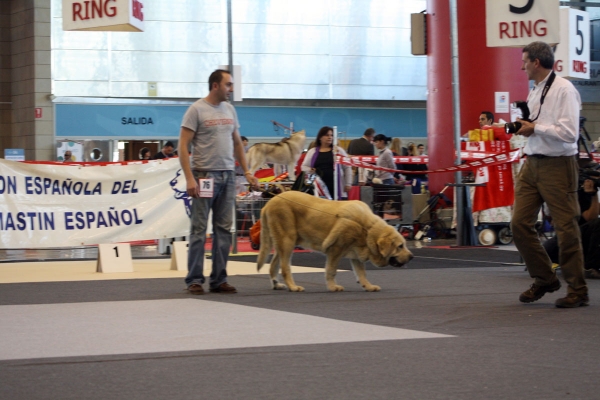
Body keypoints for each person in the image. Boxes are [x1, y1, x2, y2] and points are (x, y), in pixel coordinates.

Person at [511, 41, 588, 308]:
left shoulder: (565, 90)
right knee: (519, 224)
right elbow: (536, 124)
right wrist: (522, 126)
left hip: (559, 165)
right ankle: (545, 278)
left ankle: (578, 291)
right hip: (532, 163)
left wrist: (536, 128)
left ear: (536, 62)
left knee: (566, 229)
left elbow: (570, 134)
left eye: (524, 61)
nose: (521, 66)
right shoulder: (535, 91)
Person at [178, 69, 259, 295]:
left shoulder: (230, 109)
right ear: (215, 85)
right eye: (228, 85)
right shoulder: (196, 110)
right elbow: (182, 146)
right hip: (204, 175)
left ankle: (219, 279)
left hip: (228, 176)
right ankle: (194, 280)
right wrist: (190, 178)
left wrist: (248, 172)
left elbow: (237, 144)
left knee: (224, 230)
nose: (231, 89)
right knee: (199, 229)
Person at [543, 176, 600, 279]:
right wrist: (593, 195)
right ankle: (589, 267)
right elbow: (590, 217)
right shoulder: (571, 194)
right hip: (565, 241)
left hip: (582, 240)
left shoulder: (586, 193)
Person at [301, 126, 352, 199]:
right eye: (327, 135)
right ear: (320, 137)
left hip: (337, 186)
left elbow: (347, 167)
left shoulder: (339, 151)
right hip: (319, 188)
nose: (330, 137)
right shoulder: (312, 152)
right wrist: (310, 170)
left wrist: (348, 183)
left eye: (331, 135)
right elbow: (303, 167)